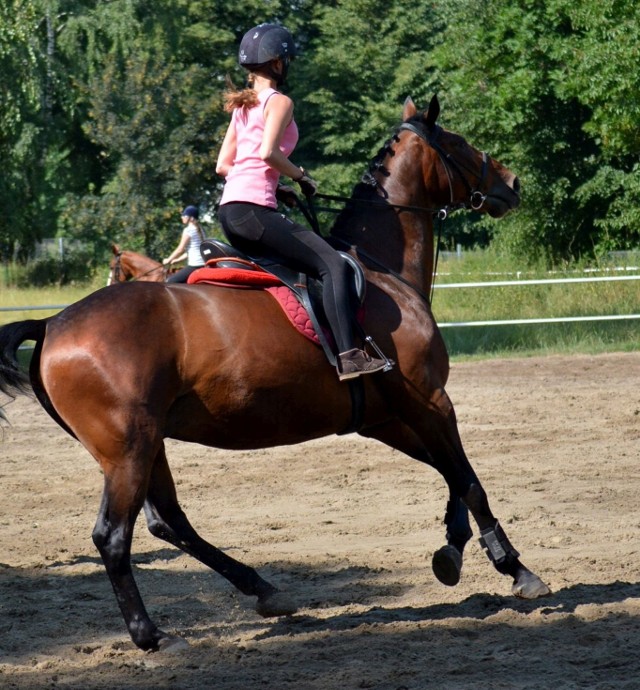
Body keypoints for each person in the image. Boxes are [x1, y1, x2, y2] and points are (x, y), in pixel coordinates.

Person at [216, 22, 389, 382]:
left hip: (230, 212)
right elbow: (268, 154)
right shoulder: (278, 101)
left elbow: (223, 166)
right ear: (278, 64)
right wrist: (300, 177)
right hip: (254, 211)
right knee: (332, 264)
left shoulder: (242, 107)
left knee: (299, 270)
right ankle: (349, 356)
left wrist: (277, 189)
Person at [163, 205, 206, 283]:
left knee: (170, 282)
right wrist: (178, 260)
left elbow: (180, 249)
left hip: (195, 266)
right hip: (203, 264)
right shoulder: (201, 229)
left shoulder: (188, 230)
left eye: (184, 215)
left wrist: (168, 260)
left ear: (191, 218)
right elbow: (192, 251)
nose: (182, 217)